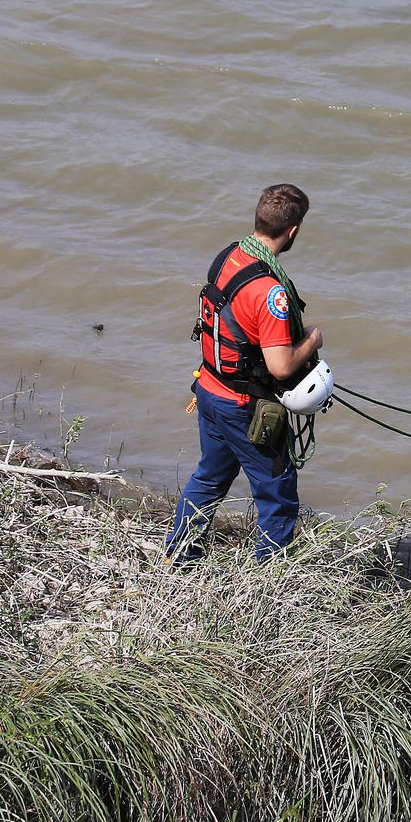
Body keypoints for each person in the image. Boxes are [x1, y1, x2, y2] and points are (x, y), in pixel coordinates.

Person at [167, 183, 324, 561]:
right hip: (243, 406)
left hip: (209, 389)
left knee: (210, 478)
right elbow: (281, 365)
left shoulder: (228, 257)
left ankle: (179, 555)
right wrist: (313, 340)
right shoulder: (271, 293)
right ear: (294, 231)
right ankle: (268, 578)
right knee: (278, 488)